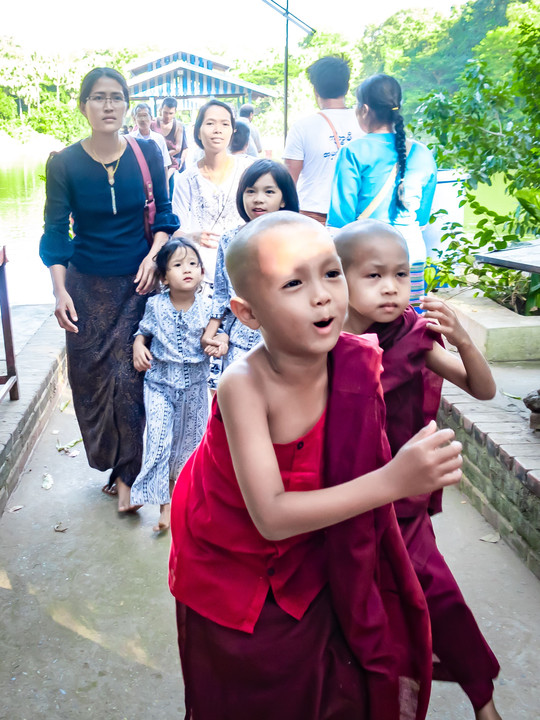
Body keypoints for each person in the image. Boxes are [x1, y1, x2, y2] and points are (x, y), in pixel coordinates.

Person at [169, 211, 465, 720]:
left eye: (331, 273)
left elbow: (355, 460)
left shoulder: (355, 360)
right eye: (293, 283)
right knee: (248, 691)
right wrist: (395, 480)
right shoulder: (245, 385)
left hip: (312, 544)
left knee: (329, 677)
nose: (323, 295)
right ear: (248, 312)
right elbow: (271, 515)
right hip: (227, 561)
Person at [334, 219, 502, 720]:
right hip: (343, 497)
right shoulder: (320, 339)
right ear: (338, 278)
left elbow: (484, 390)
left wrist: (464, 341)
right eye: (374, 275)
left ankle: (484, 701)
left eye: (402, 275)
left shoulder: (412, 334)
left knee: (436, 595)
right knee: (360, 610)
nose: (391, 287)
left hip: (403, 500)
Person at [39, 67, 179, 513]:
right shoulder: (64, 164)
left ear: (127, 104)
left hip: (137, 285)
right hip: (85, 289)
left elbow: (165, 219)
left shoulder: (147, 153)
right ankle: (113, 463)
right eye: (99, 97)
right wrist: (59, 291)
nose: (109, 105)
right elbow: (56, 234)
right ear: (84, 106)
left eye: (117, 97)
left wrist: (154, 256)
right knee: (91, 383)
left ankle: (128, 476)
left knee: (129, 378)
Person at [131, 238, 228, 532]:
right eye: (177, 265)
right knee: (159, 441)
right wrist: (138, 346)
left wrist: (220, 344)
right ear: (163, 276)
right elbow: (142, 332)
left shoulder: (210, 307)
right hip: (159, 383)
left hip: (195, 389)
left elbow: (222, 334)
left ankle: (170, 500)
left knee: (187, 448)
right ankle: (157, 499)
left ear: (201, 271)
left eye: (193, 264)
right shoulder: (155, 305)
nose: (187, 269)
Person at [327, 73, 437, 308]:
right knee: (410, 325)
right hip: (411, 256)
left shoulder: (353, 152)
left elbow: (341, 221)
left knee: (367, 330)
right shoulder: (423, 152)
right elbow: (423, 217)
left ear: (364, 109)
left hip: (368, 260)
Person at [202, 159, 299, 380]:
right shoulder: (229, 239)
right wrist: (216, 331)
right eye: (251, 191)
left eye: (269, 192)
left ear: (283, 199)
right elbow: (221, 293)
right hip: (239, 344)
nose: (258, 199)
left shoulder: (296, 238)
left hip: (284, 342)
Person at [172, 99, 253, 284]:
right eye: (210, 123)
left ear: (232, 131)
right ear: (198, 132)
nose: (217, 130)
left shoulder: (248, 170)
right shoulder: (186, 179)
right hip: (201, 277)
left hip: (244, 271)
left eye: (225, 124)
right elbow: (177, 232)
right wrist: (192, 237)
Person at [283, 55, 363, 225]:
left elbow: (288, 182)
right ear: (347, 87)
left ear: (315, 90)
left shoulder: (302, 127)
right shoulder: (365, 124)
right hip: (355, 217)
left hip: (311, 217)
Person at [152, 97, 189, 194]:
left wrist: (164, 156)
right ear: (160, 110)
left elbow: (178, 148)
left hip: (170, 163)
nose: (167, 116)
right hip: (154, 163)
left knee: (168, 189)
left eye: (171, 113)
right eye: (165, 112)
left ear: (175, 112)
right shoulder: (153, 123)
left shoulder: (178, 126)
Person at [130, 102, 171, 174]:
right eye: (139, 116)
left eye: (145, 115)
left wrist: (166, 185)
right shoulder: (130, 139)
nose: (142, 119)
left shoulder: (159, 138)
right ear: (135, 119)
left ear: (151, 118)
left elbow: (165, 165)